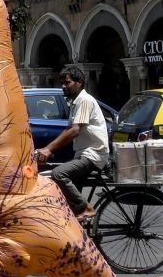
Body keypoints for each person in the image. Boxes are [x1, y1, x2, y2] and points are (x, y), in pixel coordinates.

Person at [36, 65, 110, 219]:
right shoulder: (75, 103)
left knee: (59, 173)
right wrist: (47, 149)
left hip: (93, 155)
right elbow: (67, 130)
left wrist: (49, 149)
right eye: (62, 83)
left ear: (80, 82)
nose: (63, 86)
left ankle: (86, 208)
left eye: (67, 83)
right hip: (83, 154)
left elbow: (75, 130)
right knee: (65, 198)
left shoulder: (84, 100)